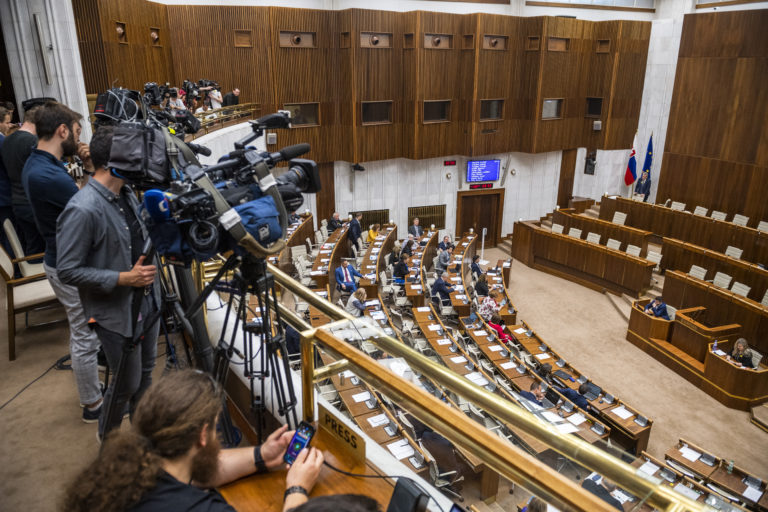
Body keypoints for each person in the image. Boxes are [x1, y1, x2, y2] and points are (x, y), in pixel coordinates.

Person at [62, 370, 325, 512]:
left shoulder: (123, 470)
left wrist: (262, 456)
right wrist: (297, 489)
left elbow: (203, 473)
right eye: (214, 429)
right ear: (202, 435)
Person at [57, 125, 162, 436]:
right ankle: (111, 446)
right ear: (116, 160)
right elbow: (68, 271)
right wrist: (123, 278)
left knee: (145, 376)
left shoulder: (127, 193)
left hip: (147, 303)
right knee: (125, 385)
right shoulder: (82, 208)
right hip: (116, 313)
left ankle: (143, 443)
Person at [22, 102, 104, 422]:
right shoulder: (48, 174)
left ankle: (93, 390)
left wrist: (82, 167)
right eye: (77, 132)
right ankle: (93, 405)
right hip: (67, 262)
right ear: (62, 131)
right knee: (84, 335)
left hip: (59, 257)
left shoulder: (38, 161)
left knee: (82, 330)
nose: (78, 139)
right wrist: (91, 168)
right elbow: (89, 207)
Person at [2, 98, 52, 257]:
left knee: (32, 248)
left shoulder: (8, 139)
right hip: (33, 203)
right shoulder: (32, 141)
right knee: (48, 248)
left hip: (17, 202)